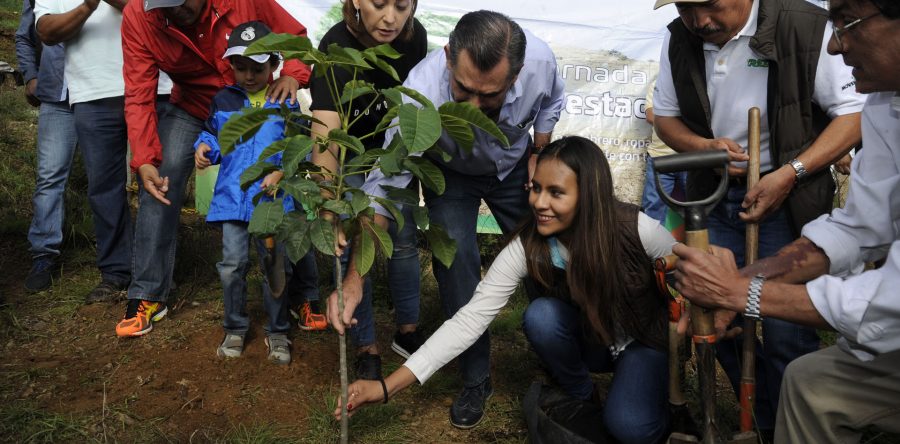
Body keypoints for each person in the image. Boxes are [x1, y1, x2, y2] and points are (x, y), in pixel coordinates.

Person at [336, 136, 676, 443]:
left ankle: (656, 400)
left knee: (630, 428)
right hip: (594, 339)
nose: (540, 203)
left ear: (589, 195)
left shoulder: (635, 229)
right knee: (541, 316)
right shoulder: (529, 245)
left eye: (556, 192)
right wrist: (386, 387)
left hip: (641, 341)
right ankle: (581, 394)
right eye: (536, 188)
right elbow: (469, 321)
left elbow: (687, 272)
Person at [671, 0, 900, 441]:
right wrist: (741, 283)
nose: (833, 45)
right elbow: (856, 228)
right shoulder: (887, 103)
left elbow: (889, 308)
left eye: (847, 23)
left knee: (789, 348)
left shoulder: (804, 33)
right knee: (810, 383)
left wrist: (742, 291)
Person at [328, 10, 565, 428]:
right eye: (463, 90)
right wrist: (354, 281)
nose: (473, 107)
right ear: (448, 57)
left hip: (514, 169)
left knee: (548, 258)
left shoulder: (541, 63)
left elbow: (552, 102)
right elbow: (384, 189)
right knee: (456, 268)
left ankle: (562, 359)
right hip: (451, 174)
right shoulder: (418, 94)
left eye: (489, 96)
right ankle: (476, 378)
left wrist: (540, 154)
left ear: (517, 75)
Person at [116, 0, 311, 337]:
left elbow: (295, 37)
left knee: (285, 184)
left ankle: (305, 294)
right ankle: (148, 293)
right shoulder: (139, 16)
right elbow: (138, 93)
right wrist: (145, 158)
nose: (177, 11)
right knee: (159, 177)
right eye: (167, 6)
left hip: (256, 103)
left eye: (184, 1)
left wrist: (293, 74)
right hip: (194, 107)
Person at [309, 0, 428, 380]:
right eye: (378, 4)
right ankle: (366, 345)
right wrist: (328, 205)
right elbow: (326, 132)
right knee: (355, 246)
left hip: (394, 153)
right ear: (357, 1)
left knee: (404, 237)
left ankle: (408, 330)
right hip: (352, 158)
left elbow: (415, 105)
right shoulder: (335, 47)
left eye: (402, 5)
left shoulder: (415, 38)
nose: (391, 17)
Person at [33, 0, 156, 304]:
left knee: (155, 182)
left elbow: (160, 8)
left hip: (152, 85)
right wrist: (87, 5)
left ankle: (155, 274)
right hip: (90, 92)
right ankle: (115, 274)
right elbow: (46, 31)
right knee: (103, 187)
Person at [194, 21, 296, 363]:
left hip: (271, 203)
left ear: (273, 66)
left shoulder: (285, 101)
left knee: (274, 266)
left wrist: (282, 171)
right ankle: (235, 327)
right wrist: (204, 147)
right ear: (231, 66)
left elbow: (298, 148)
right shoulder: (223, 100)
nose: (249, 75)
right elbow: (213, 136)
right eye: (241, 68)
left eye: (258, 68)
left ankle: (278, 331)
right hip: (233, 202)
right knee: (232, 265)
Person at [15, 0, 77, 293]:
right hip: (57, 96)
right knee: (50, 176)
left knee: (109, 177)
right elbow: (25, 35)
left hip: (103, 94)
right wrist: (31, 76)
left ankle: (116, 257)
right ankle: (43, 254)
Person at [641, 78, 687, 224]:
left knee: (699, 210)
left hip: (693, 158)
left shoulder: (699, 82)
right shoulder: (658, 83)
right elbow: (650, 115)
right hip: (660, 156)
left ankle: (698, 247)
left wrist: (667, 120)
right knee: (652, 209)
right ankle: (652, 247)